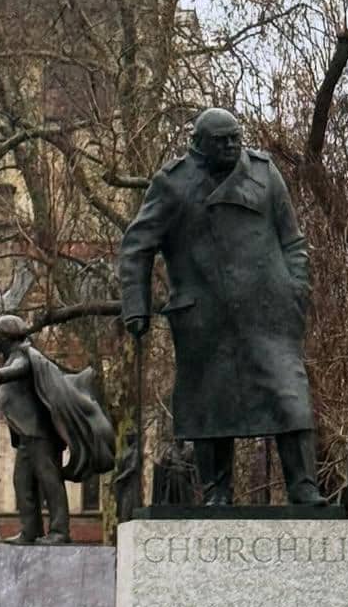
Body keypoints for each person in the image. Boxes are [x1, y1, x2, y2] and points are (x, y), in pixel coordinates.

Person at [119, 108, 322, 507]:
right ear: (198, 144)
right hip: (204, 317)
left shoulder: (265, 174)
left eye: (235, 137)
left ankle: (303, 487)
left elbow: (293, 240)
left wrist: (296, 290)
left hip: (269, 312)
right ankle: (216, 492)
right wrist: (136, 307)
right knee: (209, 405)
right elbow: (136, 247)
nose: (231, 145)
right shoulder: (173, 184)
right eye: (221, 141)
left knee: (289, 396)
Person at [0, 315, 115, 544]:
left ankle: (60, 531)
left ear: (7, 337)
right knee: (22, 482)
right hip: (26, 434)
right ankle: (31, 530)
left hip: (39, 434)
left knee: (49, 479)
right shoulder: (14, 355)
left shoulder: (25, 354)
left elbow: (19, 369)